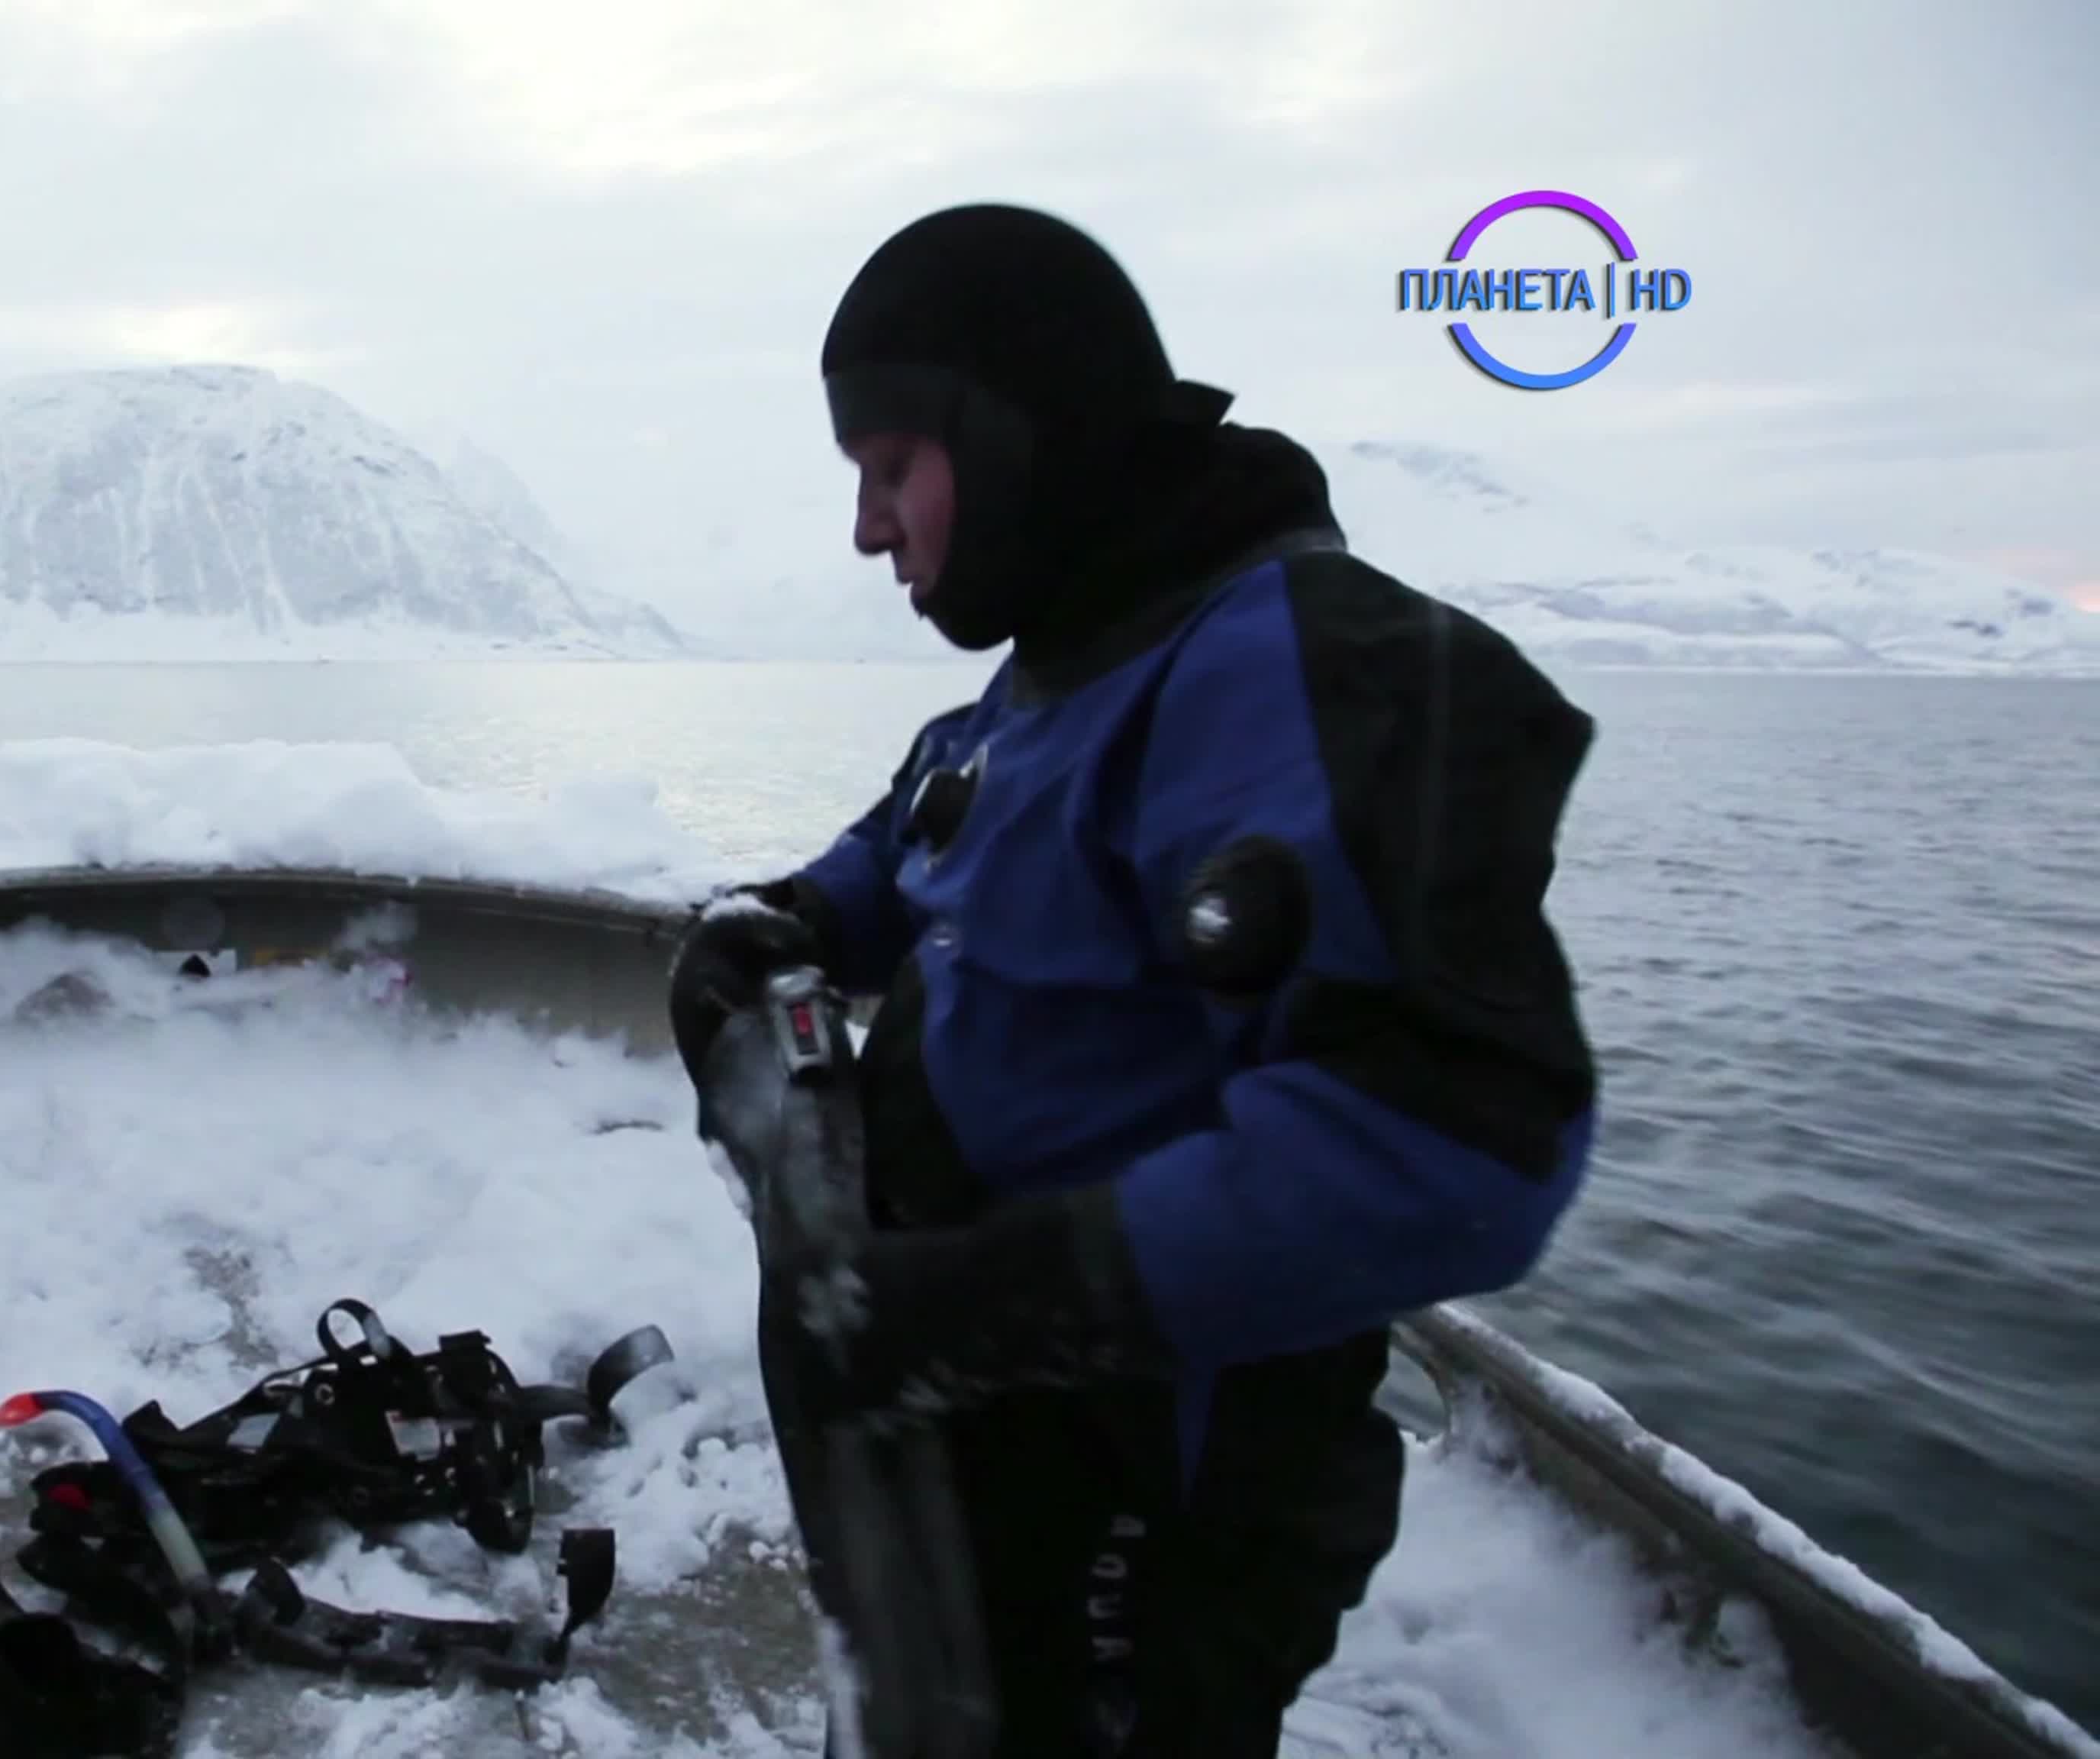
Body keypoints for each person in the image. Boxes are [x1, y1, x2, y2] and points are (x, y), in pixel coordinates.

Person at [667, 202, 1602, 1757]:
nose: (866, 528)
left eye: (888, 469)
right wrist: (777, 922)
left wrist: (1006, 1300)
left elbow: (1457, 1139)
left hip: (1145, 1491)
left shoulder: (1297, 665)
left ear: (1008, 434)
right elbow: (910, 848)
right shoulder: (1043, 683)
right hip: (959, 1459)